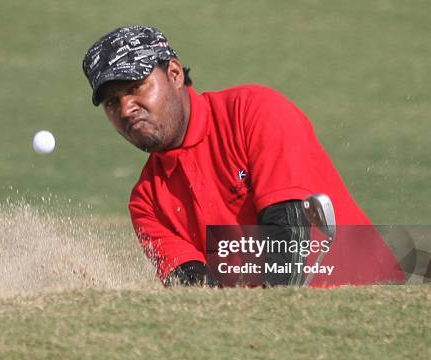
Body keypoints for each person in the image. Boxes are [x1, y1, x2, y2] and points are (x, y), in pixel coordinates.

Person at [82, 25, 404, 287]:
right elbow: (194, 292)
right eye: (111, 102)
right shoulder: (146, 203)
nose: (126, 109)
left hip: (369, 301)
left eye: (137, 86)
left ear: (175, 74)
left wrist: (272, 317)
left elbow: (289, 230)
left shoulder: (254, 112)